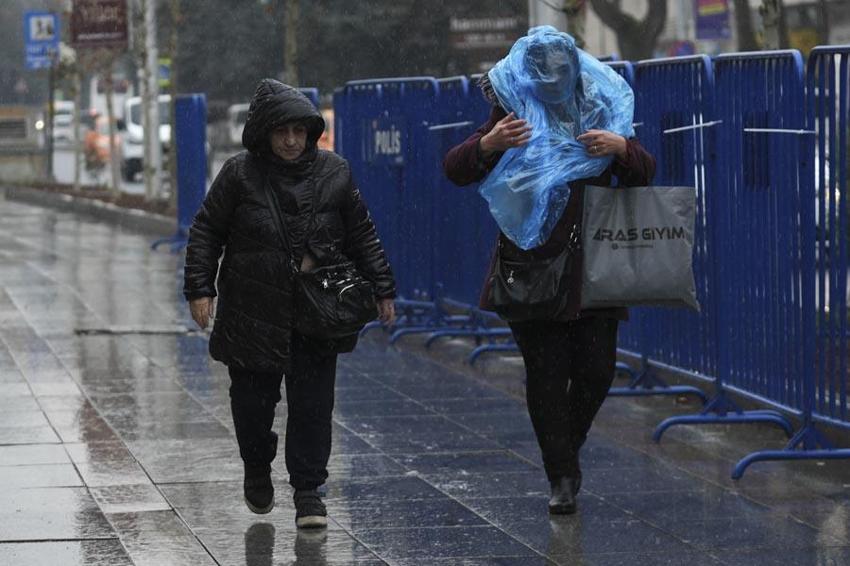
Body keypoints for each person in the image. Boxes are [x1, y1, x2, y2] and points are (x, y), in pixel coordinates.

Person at [443, 30, 655, 515]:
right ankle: (560, 476)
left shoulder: (600, 109)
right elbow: (456, 168)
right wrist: (489, 144)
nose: (553, 80)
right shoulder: (513, 109)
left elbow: (645, 172)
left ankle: (566, 450)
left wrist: (621, 148)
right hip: (532, 265)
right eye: (543, 72)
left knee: (597, 371)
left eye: (561, 70)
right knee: (546, 374)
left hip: (593, 268)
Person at [184, 79, 396, 529]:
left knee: (313, 407)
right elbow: (206, 230)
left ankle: (308, 492)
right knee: (252, 406)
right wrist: (200, 289)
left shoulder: (335, 172)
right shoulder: (239, 175)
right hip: (252, 311)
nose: (291, 141)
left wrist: (383, 287)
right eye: (281, 131)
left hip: (315, 312)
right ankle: (257, 466)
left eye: (299, 131)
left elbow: (361, 233)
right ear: (263, 133)